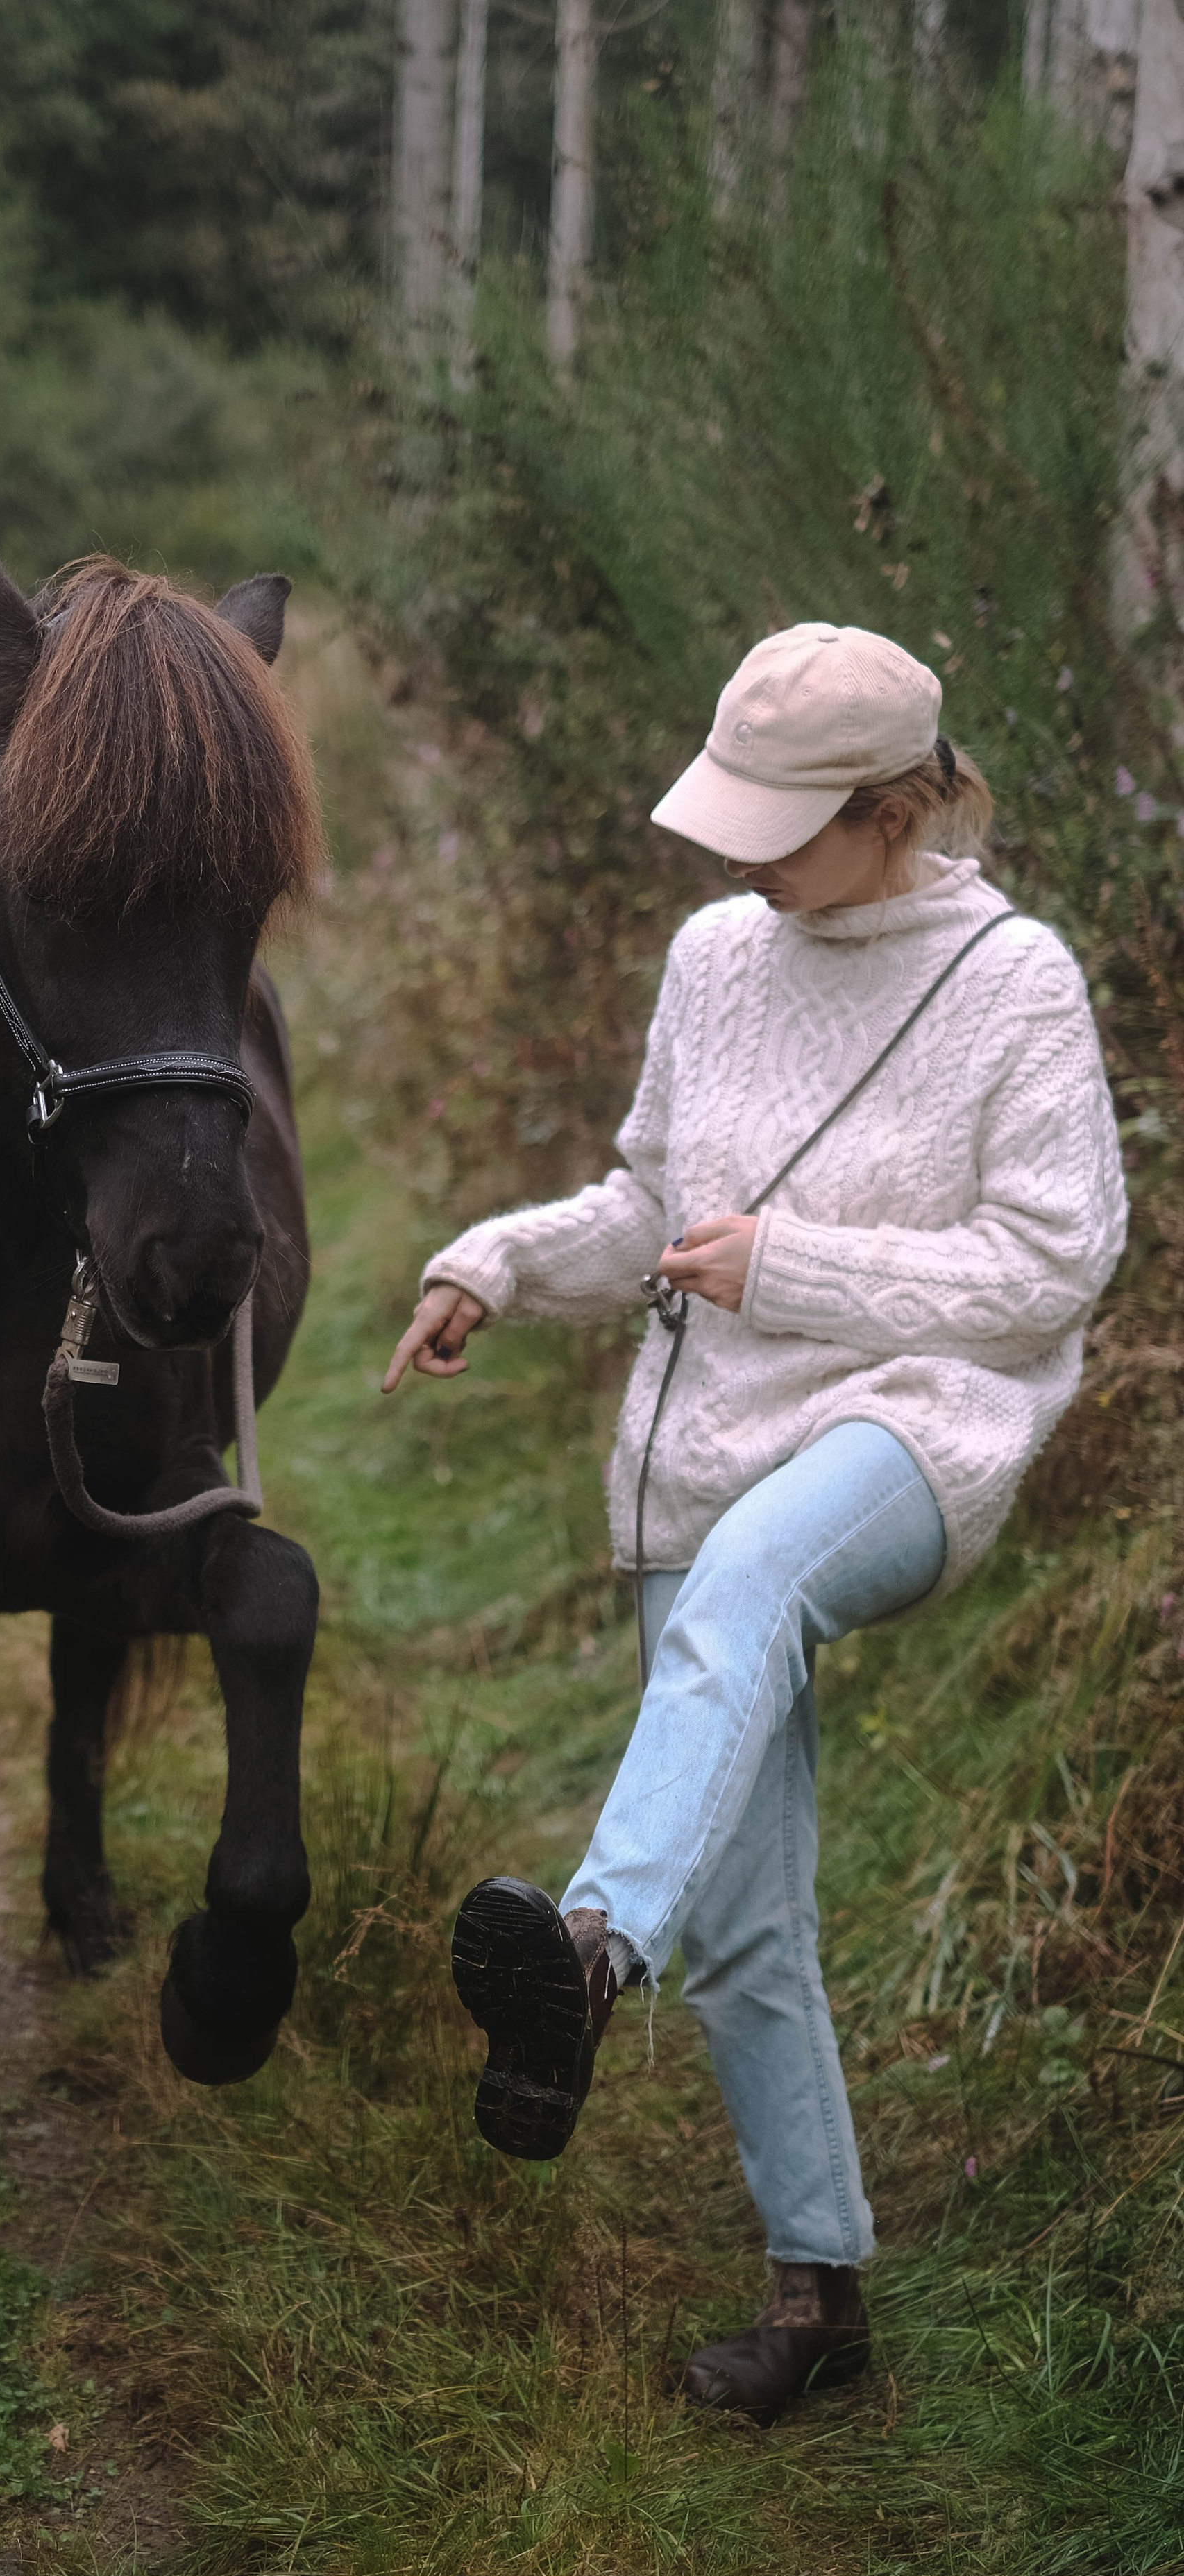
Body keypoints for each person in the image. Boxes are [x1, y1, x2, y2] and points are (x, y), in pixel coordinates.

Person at [382, 622, 1126, 2423]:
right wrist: (497, 1260)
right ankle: (820, 2305)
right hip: (710, 1446)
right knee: (752, 1922)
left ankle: (584, 1951)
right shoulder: (719, 956)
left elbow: (1056, 1266)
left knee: (746, 1585)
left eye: (782, 828)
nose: (742, 862)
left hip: (915, 1426)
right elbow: (653, 1200)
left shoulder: (1012, 980)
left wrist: (797, 1272)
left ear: (894, 810)